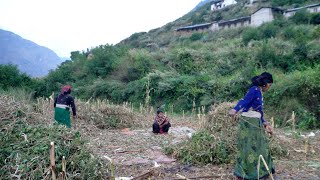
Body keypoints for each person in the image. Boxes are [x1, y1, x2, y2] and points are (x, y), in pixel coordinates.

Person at [229, 72, 275, 180]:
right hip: (249, 123)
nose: (269, 87)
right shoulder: (254, 90)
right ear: (265, 83)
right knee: (249, 148)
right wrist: (235, 109)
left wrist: (265, 123)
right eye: (270, 85)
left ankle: (260, 172)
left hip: (255, 122)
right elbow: (245, 101)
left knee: (259, 146)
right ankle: (246, 174)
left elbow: (258, 111)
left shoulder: (259, 92)